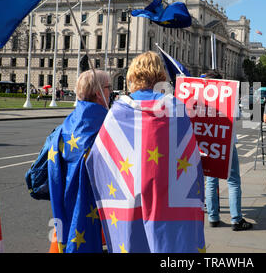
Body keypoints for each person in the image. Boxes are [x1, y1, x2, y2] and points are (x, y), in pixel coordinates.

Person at [85, 51, 205, 253]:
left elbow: (99, 155)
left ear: (133, 75)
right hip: (169, 196)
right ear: (161, 75)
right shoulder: (176, 107)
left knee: (134, 243)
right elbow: (191, 154)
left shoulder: (119, 110)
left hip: (130, 193)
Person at [47, 69, 111, 253]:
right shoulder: (107, 128)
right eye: (108, 88)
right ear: (99, 94)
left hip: (68, 210)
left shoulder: (65, 125)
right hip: (99, 220)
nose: (111, 92)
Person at [203, 70, 253, 231]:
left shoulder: (199, 98)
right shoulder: (227, 97)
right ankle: (236, 219)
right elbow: (236, 116)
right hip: (226, 142)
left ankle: (212, 217)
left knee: (211, 181)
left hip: (208, 143)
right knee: (233, 181)